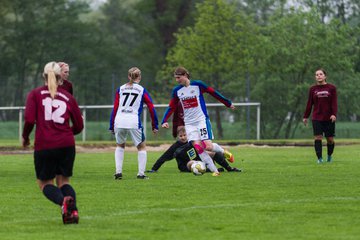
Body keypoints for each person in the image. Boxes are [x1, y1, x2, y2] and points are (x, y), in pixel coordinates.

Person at [22, 61, 84, 224]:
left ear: (43, 75)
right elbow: (79, 125)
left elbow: (29, 120)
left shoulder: (35, 94)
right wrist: (66, 134)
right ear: (60, 78)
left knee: (44, 183)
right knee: (63, 182)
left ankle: (63, 203)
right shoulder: (68, 97)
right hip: (67, 145)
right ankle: (72, 212)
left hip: (45, 145)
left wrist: (26, 137)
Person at [161, 66, 235, 176]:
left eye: (179, 77)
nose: (177, 80)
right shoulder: (177, 91)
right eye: (175, 78)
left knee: (208, 146)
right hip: (189, 124)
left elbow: (214, 93)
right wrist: (164, 120)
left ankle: (224, 152)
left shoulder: (198, 85)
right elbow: (171, 106)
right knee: (198, 147)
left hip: (201, 120)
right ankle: (215, 171)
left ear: (185, 75)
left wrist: (227, 103)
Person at [109, 67, 158, 180]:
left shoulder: (120, 89)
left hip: (119, 120)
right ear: (139, 77)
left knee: (120, 145)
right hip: (133, 121)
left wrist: (111, 125)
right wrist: (154, 125)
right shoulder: (141, 90)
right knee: (141, 147)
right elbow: (151, 107)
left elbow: (115, 107)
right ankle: (141, 174)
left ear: (128, 76)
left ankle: (118, 172)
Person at [147, 127, 240, 173]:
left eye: (185, 135)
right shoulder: (176, 146)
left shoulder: (193, 141)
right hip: (185, 165)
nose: (183, 137)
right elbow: (164, 157)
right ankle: (212, 170)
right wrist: (154, 169)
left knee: (212, 152)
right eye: (181, 136)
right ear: (178, 137)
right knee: (192, 163)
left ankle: (229, 169)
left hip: (199, 159)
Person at [303, 68, 338, 163]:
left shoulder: (332, 88)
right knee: (318, 138)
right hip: (317, 117)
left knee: (330, 139)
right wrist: (306, 116)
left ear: (325, 76)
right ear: (315, 77)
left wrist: (334, 114)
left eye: (320, 74)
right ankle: (319, 159)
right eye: (317, 74)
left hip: (329, 118)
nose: (319, 76)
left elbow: (334, 103)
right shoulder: (312, 89)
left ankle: (329, 156)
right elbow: (309, 104)